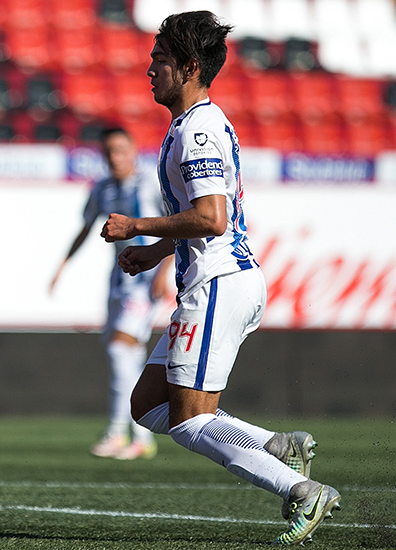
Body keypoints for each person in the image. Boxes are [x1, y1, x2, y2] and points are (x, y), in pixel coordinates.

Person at [101, 11, 340, 545]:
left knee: (188, 419)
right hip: (215, 279)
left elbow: (210, 217)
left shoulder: (199, 130)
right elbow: (209, 218)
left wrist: (136, 226)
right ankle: (275, 445)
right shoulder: (192, 124)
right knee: (148, 405)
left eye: (159, 60)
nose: (149, 70)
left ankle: (299, 488)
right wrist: (155, 251)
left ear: (188, 67)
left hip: (218, 285)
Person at [50, 127, 172, 460]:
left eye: (120, 150)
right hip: (118, 280)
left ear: (133, 151)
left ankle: (119, 432)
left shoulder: (151, 183)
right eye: (108, 152)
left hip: (145, 280)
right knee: (126, 355)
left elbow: (177, 223)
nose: (114, 158)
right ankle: (142, 437)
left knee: (120, 350)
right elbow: (86, 227)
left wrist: (164, 270)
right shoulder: (102, 188)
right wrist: (62, 265)